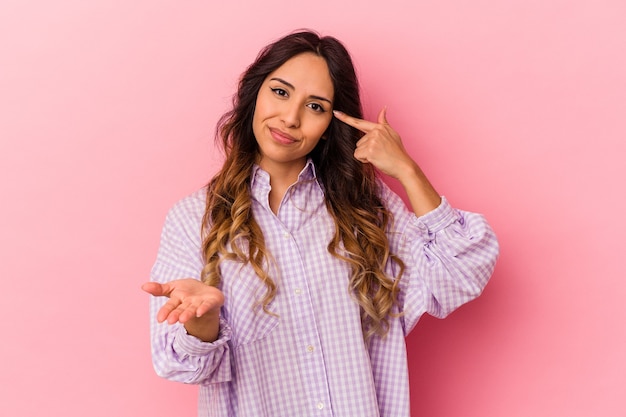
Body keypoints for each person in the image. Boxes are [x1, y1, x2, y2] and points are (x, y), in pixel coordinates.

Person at [142, 29, 499, 417]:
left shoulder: (366, 208)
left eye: (315, 106)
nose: (291, 118)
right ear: (254, 94)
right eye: (280, 92)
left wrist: (406, 170)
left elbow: (462, 273)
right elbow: (179, 364)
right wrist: (204, 320)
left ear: (331, 121)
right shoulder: (194, 219)